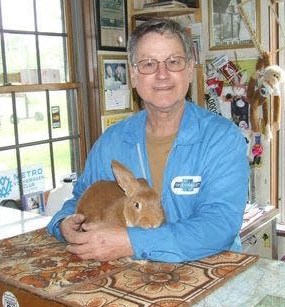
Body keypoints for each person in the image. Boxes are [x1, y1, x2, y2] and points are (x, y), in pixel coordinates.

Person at [47, 18, 249, 263]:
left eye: (173, 62)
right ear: (133, 75)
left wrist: (131, 242)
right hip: (132, 280)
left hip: (210, 276)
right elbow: (80, 196)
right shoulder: (111, 142)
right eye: (148, 64)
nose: (162, 75)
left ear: (189, 69)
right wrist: (65, 223)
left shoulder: (222, 140)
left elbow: (218, 226)